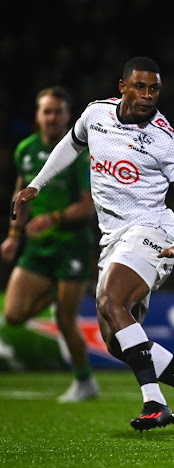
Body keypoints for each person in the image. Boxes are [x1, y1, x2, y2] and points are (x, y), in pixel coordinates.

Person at [11, 57, 174, 439]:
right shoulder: (95, 115)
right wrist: (38, 184)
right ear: (123, 87)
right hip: (113, 237)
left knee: (110, 301)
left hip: (153, 231)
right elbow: (71, 145)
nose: (147, 96)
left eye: (154, 89)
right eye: (140, 87)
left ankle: (155, 402)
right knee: (117, 343)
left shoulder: (167, 139)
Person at [1, 86, 98, 402]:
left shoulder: (77, 155)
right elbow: (21, 196)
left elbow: (88, 206)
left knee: (64, 320)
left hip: (72, 244)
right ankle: (60, 290)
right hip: (38, 248)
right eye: (47, 111)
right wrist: (14, 236)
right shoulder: (26, 151)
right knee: (14, 315)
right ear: (38, 115)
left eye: (58, 111)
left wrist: (54, 218)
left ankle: (84, 382)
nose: (52, 117)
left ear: (68, 117)